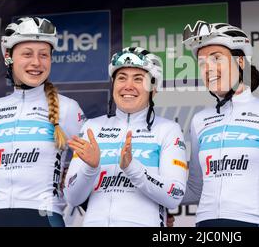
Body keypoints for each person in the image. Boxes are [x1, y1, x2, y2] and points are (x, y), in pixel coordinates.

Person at [180, 21, 259, 227]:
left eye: (216, 58)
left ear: (240, 61)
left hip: (257, 221)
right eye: (202, 62)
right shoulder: (199, 120)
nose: (209, 68)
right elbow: (196, 189)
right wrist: (138, 187)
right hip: (206, 225)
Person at [0, 17, 85, 227]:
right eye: (27, 54)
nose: (36, 62)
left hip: (45, 217)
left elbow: (93, 165)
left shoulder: (68, 108)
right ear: (8, 57)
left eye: (44, 55)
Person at [63, 47, 188, 227]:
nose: (128, 86)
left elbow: (174, 195)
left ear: (153, 88)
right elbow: (72, 197)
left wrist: (132, 168)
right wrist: (91, 168)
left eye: (138, 79)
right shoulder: (92, 127)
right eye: (121, 78)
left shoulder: (168, 130)